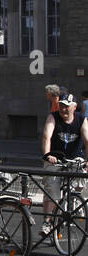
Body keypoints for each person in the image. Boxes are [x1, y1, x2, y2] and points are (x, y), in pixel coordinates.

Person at [40, 91, 88, 235]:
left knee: (81, 178)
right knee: (52, 189)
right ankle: (47, 223)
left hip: (75, 158)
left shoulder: (81, 119)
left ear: (74, 107)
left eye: (67, 106)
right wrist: (47, 155)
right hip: (55, 158)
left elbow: (87, 140)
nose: (63, 109)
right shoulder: (53, 117)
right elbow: (46, 136)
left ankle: (74, 202)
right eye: (61, 105)